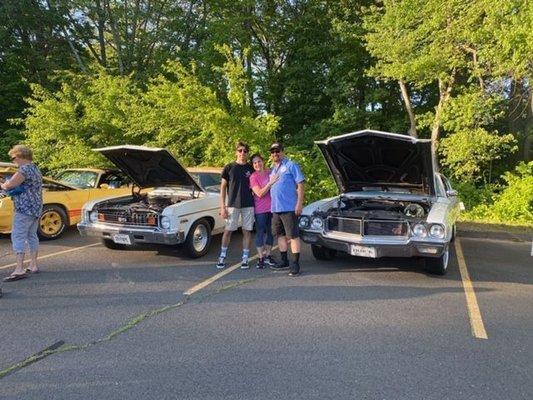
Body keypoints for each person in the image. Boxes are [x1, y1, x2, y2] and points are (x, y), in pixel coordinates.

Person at [1, 145, 43, 282]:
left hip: (24, 208)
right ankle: (33, 265)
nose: (13, 161)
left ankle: (19, 269)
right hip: (36, 207)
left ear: (20, 156)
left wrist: (2, 184)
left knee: (18, 236)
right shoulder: (35, 168)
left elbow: (9, 185)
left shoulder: (24, 169)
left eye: (13, 158)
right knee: (31, 235)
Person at [216, 142, 255, 269]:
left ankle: (245, 258)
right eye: (240, 150)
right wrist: (223, 206)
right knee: (228, 231)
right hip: (232, 204)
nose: (242, 153)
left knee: (247, 231)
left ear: (247, 153)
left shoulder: (251, 168)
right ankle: (222, 256)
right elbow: (222, 188)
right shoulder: (229, 167)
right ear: (236, 152)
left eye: (244, 151)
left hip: (248, 204)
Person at [268, 142, 305, 276]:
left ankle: (295, 264)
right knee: (280, 235)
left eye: (277, 151)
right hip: (275, 209)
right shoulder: (272, 169)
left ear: (283, 151)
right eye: (272, 152)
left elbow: (300, 185)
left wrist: (299, 204)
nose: (275, 153)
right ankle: (284, 261)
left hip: (289, 207)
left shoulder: (291, 165)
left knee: (293, 236)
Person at [249, 153, 278, 269]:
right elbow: (259, 193)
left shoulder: (270, 172)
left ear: (263, 161)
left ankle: (268, 255)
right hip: (260, 209)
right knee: (260, 232)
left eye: (259, 161)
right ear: (253, 165)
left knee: (271, 232)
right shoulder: (253, 177)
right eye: (255, 163)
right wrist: (270, 183)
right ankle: (261, 257)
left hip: (272, 208)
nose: (257, 164)